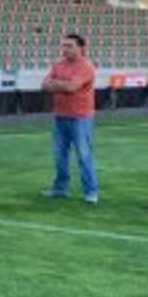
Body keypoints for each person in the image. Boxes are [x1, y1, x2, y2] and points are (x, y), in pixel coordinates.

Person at [41, 34, 99, 204]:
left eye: (69, 46)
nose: (65, 49)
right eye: (64, 46)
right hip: (60, 116)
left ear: (81, 48)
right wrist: (63, 84)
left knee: (84, 155)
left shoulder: (86, 66)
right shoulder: (58, 64)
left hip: (80, 117)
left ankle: (91, 192)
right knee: (60, 155)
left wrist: (57, 84)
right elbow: (44, 84)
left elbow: (72, 87)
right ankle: (60, 189)